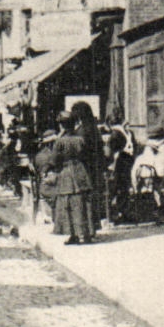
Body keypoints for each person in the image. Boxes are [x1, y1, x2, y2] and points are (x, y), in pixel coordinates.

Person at [52, 115, 96, 245]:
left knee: (68, 204)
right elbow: (88, 156)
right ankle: (86, 234)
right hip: (81, 171)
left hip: (66, 173)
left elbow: (54, 160)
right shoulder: (81, 140)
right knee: (83, 202)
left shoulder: (59, 141)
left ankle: (73, 234)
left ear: (62, 126)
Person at [70, 101, 106, 231]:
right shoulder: (94, 129)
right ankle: (94, 226)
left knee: (84, 199)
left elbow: (79, 151)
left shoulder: (81, 131)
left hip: (84, 168)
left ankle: (87, 229)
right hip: (95, 168)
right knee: (93, 197)